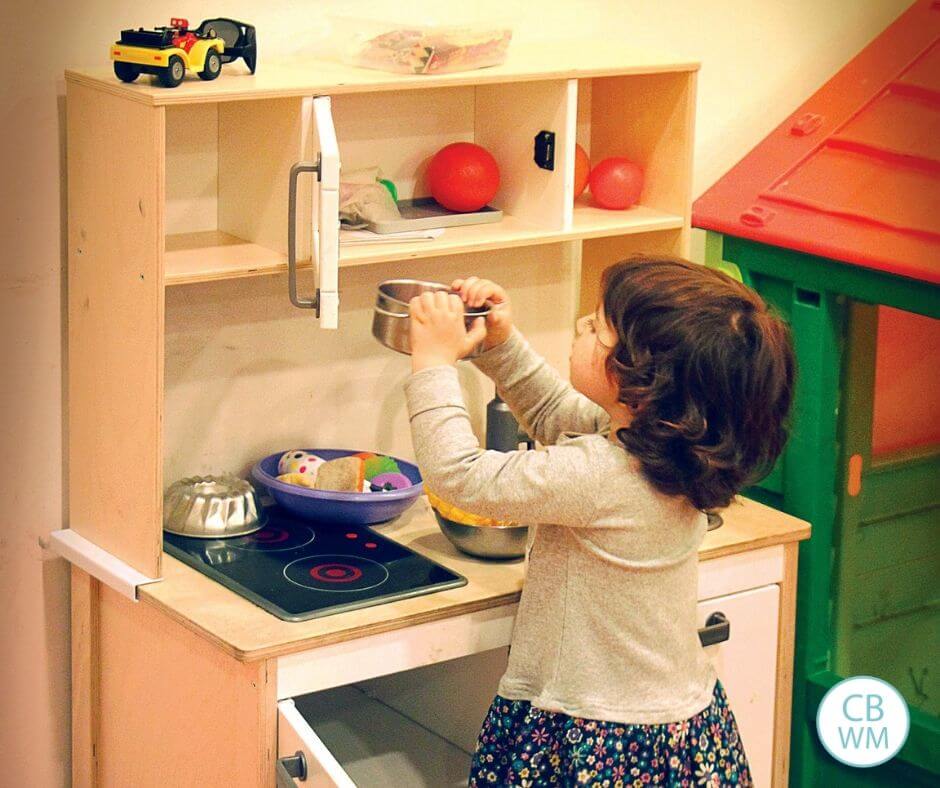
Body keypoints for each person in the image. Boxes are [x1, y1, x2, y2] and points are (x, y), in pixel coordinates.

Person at [404, 255, 795, 786]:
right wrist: (498, 345)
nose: (581, 329)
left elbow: (458, 476)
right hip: (670, 728)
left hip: (596, 734)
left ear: (642, 378)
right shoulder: (670, 447)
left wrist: (432, 363)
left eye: (596, 327)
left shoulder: (604, 474)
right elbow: (551, 415)